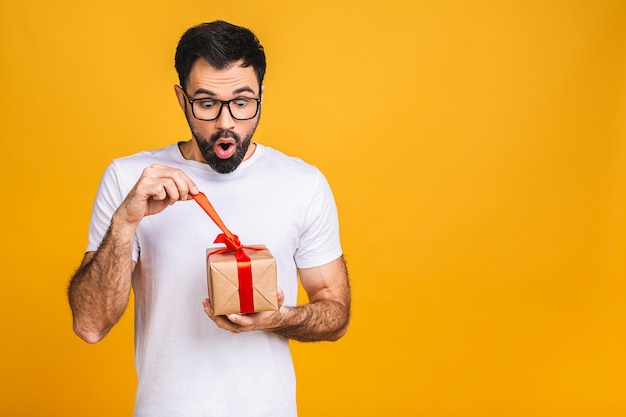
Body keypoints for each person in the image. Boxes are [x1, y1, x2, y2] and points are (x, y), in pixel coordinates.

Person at [67, 20, 350, 417]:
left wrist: (278, 318)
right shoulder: (130, 179)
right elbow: (90, 325)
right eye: (206, 103)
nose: (225, 124)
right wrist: (125, 223)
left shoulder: (303, 183)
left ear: (261, 97)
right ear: (182, 100)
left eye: (241, 102)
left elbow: (335, 315)